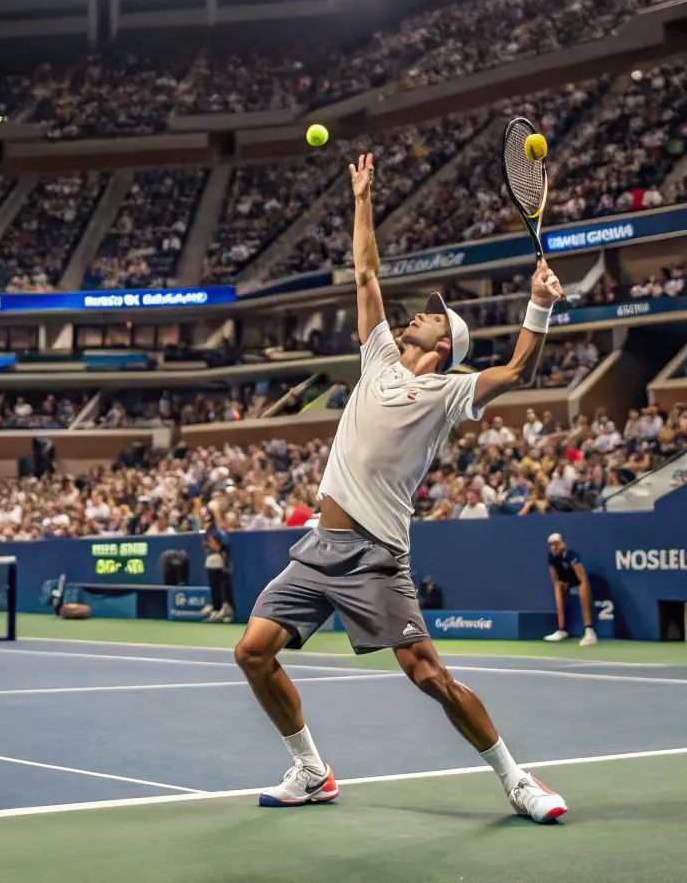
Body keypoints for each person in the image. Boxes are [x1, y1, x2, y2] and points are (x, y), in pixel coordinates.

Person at [234, 152, 569, 823]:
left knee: (428, 675)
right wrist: (362, 198)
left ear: (444, 344)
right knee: (251, 651)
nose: (421, 314)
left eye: (434, 317)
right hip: (318, 547)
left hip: (376, 555)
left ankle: (517, 780)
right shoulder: (379, 355)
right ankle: (311, 769)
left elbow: (519, 370)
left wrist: (538, 304)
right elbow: (366, 272)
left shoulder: (448, 392)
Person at [544, 532, 597, 646]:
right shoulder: (552, 557)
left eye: (556, 544)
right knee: (558, 587)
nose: (553, 547)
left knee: (584, 585)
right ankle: (561, 630)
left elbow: (582, 578)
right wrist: (562, 585)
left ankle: (589, 630)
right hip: (567, 583)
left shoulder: (572, 555)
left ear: (562, 544)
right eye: (551, 545)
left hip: (579, 581)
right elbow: (555, 579)